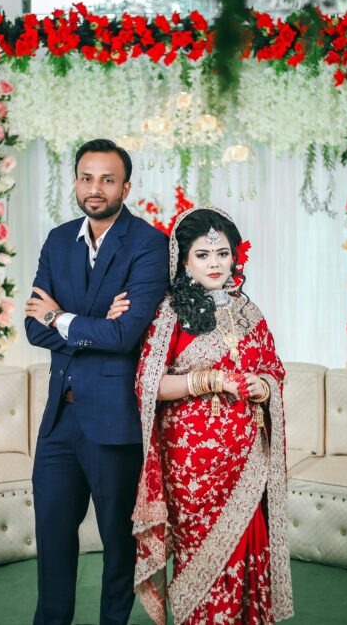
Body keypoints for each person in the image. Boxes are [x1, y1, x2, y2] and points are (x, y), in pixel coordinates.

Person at [116, 207, 294, 624]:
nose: (215, 263)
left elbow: (274, 372)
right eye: (202, 254)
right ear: (183, 259)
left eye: (223, 253)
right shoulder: (169, 313)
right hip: (192, 464)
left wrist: (262, 386)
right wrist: (210, 380)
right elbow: (149, 386)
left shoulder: (250, 313)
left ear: (235, 257)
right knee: (202, 554)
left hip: (247, 459)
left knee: (247, 548)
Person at [23, 138, 170, 625]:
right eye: (87, 177)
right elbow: (30, 326)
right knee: (53, 541)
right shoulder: (59, 238)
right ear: (75, 182)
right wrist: (92, 324)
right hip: (58, 421)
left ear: (125, 186)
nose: (95, 188)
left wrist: (61, 318)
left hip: (113, 420)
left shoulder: (149, 243)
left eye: (108, 179)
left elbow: (127, 334)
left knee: (117, 545)